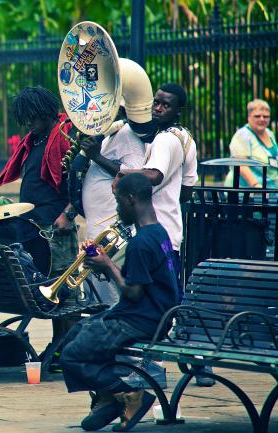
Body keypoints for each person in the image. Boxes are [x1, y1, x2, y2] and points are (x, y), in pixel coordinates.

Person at [59, 173, 179, 432]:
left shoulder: (141, 243)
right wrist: (105, 265)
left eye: (117, 201)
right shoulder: (158, 233)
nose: (116, 208)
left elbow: (133, 292)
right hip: (146, 313)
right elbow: (138, 282)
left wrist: (107, 265)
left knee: (71, 356)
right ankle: (108, 398)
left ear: (131, 198)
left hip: (142, 319)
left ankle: (128, 395)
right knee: (74, 336)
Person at [118, 84, 209, 387]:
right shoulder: (186, 139)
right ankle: (196, 359)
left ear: (177, 110)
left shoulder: (165, 140)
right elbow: (187, 188)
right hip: (171, 233)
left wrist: (122, 174)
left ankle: (151, 365)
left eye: (165, 105)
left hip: (156, 235)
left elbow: (153, 177)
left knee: (153, 303)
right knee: (169, 299)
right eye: (155, 103)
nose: (157, 108)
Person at [0, 86, 80, 368]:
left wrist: (69, 214)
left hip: (56, 227)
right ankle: (58, 348)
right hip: (33, 228)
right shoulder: (34, 140)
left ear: (45, 112)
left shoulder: (63, 137)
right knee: (46, 290)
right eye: (25, 118)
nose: (29, 123)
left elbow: (79, 182)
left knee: (64, 291)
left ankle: (65, 351)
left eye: (33, 117)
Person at [80, 108, 145, 305]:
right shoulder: (109, 136)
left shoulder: (128, 135)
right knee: (96, 302)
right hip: (97, 233)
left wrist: (96, 156)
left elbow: (134, 176)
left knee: (110, 302)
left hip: (113, 236)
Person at [225, 99, 276, 188]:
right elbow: (241, 164)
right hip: (247, 193)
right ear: (249, 117)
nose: (262, 119)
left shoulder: (269, 133)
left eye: (266, 116)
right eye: (257, 116)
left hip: (271, 191)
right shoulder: (242, 135)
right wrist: (255, 185)